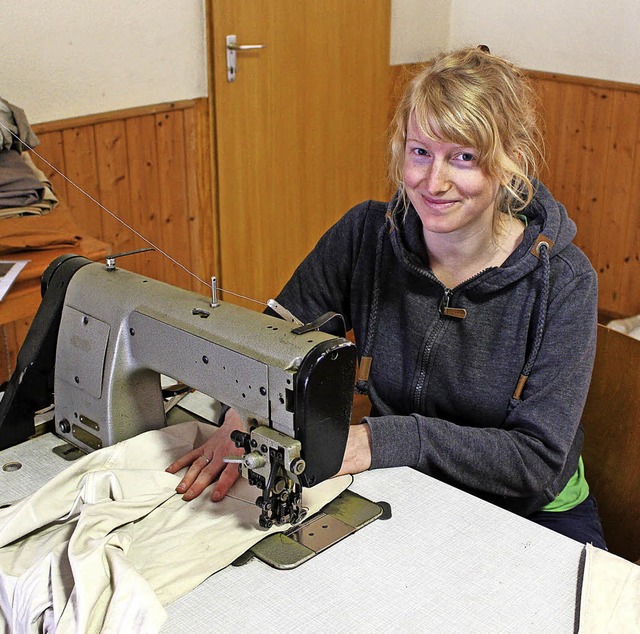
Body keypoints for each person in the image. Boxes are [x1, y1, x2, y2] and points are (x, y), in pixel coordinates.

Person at [167, 46, 606, 548]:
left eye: (463, 157)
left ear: (511, 165)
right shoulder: (364, 236)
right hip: (409, 484)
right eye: (420, 152)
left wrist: (381, 440)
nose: (433, 182)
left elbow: (537, 462)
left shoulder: (565, 281)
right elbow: (274, 341)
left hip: (532, 511)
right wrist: (243, 410)